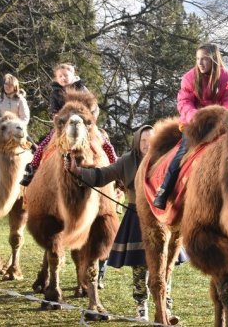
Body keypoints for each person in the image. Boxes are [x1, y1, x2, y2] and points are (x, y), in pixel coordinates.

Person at [69, 125, 171, 320]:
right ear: (136, 142)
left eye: (150, 140)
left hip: (162, 217)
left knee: (165, 265)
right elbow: (103, 175)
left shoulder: (166, 160)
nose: (147, 144)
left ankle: (166, 305)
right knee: (140, 266)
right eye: (143, 141)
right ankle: (142, 306)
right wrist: (80, 173)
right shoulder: (126, 162)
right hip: (137, 217)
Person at [151, 43, 228, 209]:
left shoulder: (226, 77)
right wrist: (196, 117)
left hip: (219, 124)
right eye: (198, 59)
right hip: (196, 125)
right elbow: (184, 102)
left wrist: (223, 115)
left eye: (204, 59)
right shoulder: (189, 78)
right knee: (182, 152)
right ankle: (164, 190)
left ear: (214, 59)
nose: (200, 63)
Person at [20, 63, 117, 186]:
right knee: (42, 146)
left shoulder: (82, 89)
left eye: (66, 75)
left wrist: (90, 119)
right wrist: (57, 119)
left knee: (106, 144)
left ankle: (116, 171)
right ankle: (32, 170)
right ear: (56, 78)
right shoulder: (55, 93)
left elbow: (93, 107)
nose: (63, 78)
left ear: (73, 75)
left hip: (85, 125)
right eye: (60, 76)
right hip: (63, 126)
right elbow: (54, 110)